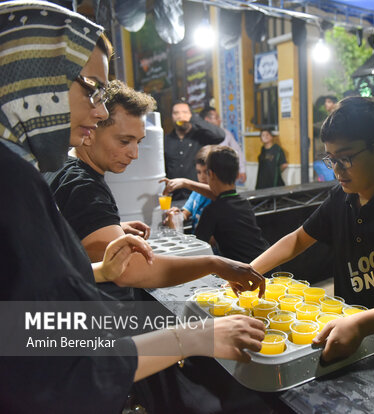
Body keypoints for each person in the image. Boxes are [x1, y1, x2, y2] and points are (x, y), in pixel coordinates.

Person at [0, 3, 264, 412]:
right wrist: (194, 336)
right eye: (92, 88)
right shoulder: (8, 181)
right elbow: (45, 361)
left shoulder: (16, 171)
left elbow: (19, 310)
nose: (99, 111)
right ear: (30, 76)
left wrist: (99, 270)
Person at [250, 97, 374, 368]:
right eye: (331, 160)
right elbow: (298, 239)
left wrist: (360, 323)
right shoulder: (340, 199)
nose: (337, 171)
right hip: (351, 343)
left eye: (345, 158)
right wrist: (249, 271)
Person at [48, 80, 266, 301]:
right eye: (125, 141)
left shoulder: (62, 166)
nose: (134, 154)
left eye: (139, 142)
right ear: (91, 130)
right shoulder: (83, 187)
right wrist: (214, 263)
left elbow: (72, 230)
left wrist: (112, 227)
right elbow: (130, 270)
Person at [161, 147, 271, 264]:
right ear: (237, 175)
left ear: (211, 174)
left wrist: (174, 230)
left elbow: (195, 250)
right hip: (266, 264)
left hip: (248, 273)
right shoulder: (244, 203)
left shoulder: (212, 211)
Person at [164, 100, 225, 200]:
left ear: (191, 115)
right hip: (174, 197)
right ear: (172, 116)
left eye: (184, 112)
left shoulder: (200, 136)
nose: (180, 116)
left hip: (199, 194)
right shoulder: (166, 140)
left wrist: (194, 120)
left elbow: (220, 135)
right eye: (176, 113)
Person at [165, 145, 213, 232]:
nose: (202, 177)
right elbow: (186, 213)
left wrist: (185, 183)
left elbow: (215, 192)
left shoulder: (220, 194)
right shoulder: (196, 193)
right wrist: (177, 215)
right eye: (199, 172)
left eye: (206, 172)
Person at [200, 106, 247, 184]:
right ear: (207, 120)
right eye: (217, 117)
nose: (220, 120)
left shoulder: (225, 133)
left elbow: (237, 151)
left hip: (225, 177)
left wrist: (242, 170)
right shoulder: (199, 136)